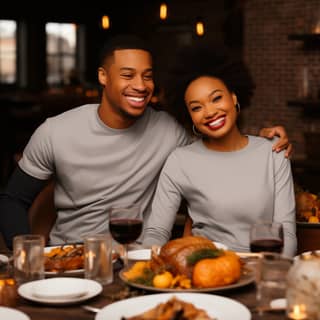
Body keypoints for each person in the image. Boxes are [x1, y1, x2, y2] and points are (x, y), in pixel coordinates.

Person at [0, 34, 292, 249]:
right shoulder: (55, 132)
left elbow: (219, 131)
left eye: (147, 76)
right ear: (103, 76)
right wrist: (29, 254)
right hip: (70, 258)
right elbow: (13, 199)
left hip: (136, 260)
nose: (140, 86)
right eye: (128, 75)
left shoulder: (169, 129)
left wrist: (265, 138)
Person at [142, 53, 297, 257]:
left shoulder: (274, 152)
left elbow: (287, 234)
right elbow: (157, 231)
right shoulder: (180, 161)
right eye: (197, 107)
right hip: (206, 269)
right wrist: (143, 261)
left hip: (263, 267)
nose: (209, 112)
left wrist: (272, 275)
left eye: (216, 98)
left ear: (233, 98)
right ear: (190, 116)